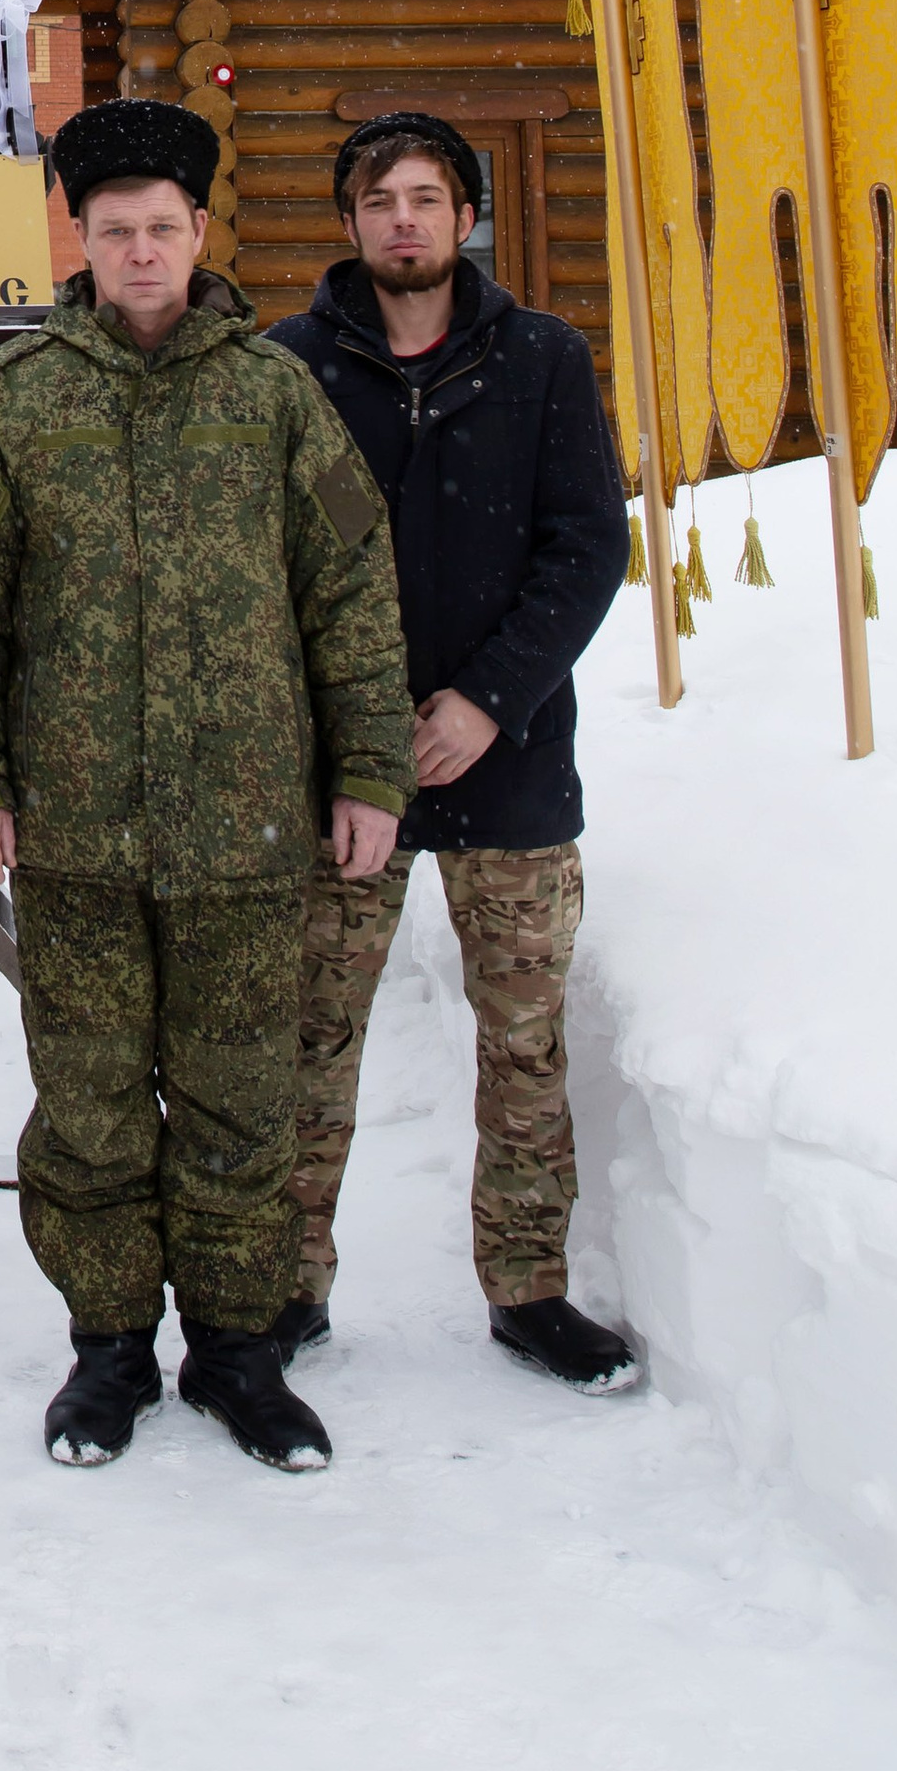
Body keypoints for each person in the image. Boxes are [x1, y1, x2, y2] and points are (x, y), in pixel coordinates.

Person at [0, 98, 411, 1475]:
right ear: (81, 238)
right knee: (87, 1106)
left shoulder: (276, 398)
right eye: (116, 230)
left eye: (164, 230)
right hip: (72, 836)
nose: (142, 253)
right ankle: (110, 1346)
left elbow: (352, 595)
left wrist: (370, 766)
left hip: (246, 833)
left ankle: (239, 1353)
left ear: (201, 233)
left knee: (243, 1101)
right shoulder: (12, 399)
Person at [259, 113, 635, 1391]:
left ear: (466, 215)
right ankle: (286, 1286)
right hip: (343, 774)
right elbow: (271, 569)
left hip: (511, 760)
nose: (405, 220)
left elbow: (586, 547)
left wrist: (485, 699)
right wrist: (360, 727)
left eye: (428, 197)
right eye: (380, 200)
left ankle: (529, 1288)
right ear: (348, 221)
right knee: (308, 1040)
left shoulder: (540, 359)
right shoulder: (289, 369)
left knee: (521, 1046)